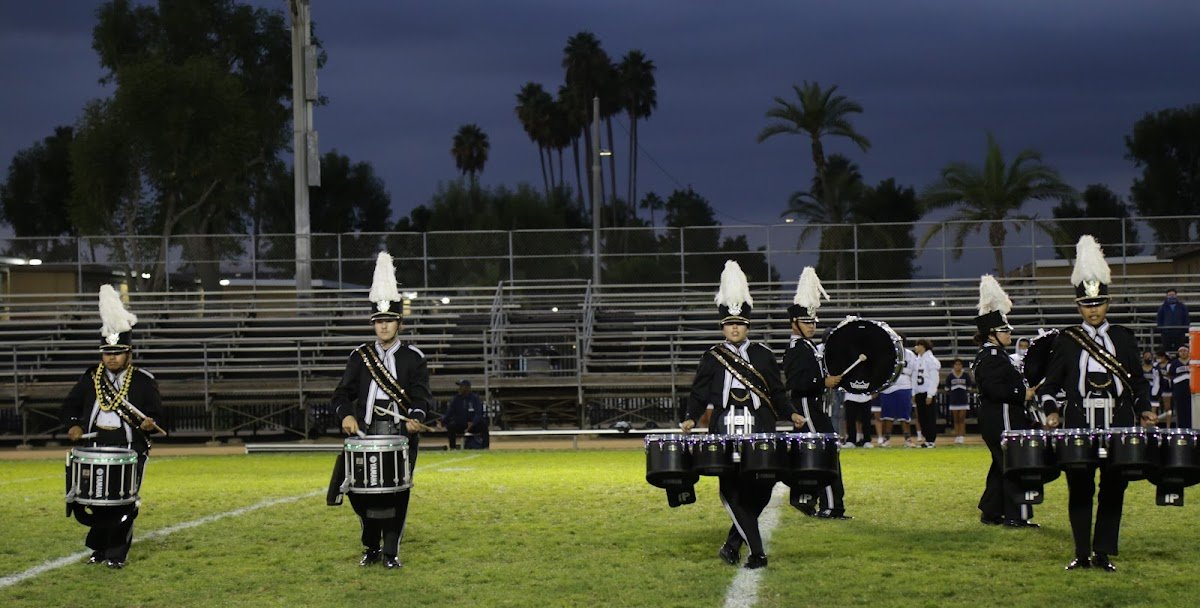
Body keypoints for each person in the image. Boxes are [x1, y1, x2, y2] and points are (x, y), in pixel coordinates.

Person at [1038, 236, 1154, 572]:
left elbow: (1138, 382)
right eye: (1087, 305)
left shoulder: (1123, 337)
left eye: (1099, 303)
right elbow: (1049, 386)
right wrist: (1052, 411)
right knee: (1079, 488)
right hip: (1077, 421)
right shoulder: (1067, 340)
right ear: (1078, 306)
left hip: (1117, 420)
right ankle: (1081, 552)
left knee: (1114, 487)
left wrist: (1144, 407)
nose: (1093, 310)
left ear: (1108, 302)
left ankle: (1102, 552)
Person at [680, 260, 803, 570]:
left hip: (760, 428)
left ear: (748, 325)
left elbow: (777, 391)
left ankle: (733, 543)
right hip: (723, 429)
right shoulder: (712, 356)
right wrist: (691, 417)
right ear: (722, 326)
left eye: (740, 324)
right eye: (729, 324)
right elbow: (698, 393)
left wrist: (792, 414)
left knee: (762, 488)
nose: (734, 328)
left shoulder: (762, 354)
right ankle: (757, 552)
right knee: (731, 489)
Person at [331, 252, 433, 570]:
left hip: (400, 435)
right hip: (365, 434)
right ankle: (370, 545)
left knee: (396, 493)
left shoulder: (413, 357)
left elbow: (421, 395)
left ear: (399, 323)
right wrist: (346, 415)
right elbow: (341, 393)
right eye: (378, 322)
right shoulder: (359, 357)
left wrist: (416, 416)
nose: (383, 326)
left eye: (388, 321)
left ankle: (390, 552)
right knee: (359, 492)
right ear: (373, 324)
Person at [61, 285, 163, 569]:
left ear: (129, 353)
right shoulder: (90, 377)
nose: (112, 358)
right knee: (96, 500)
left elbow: (157, 415)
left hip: (129, 447)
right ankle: (99, 548)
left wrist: (150, 424)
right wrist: (73, 426)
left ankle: (116, 553)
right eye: (107, 352)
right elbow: (69, 407)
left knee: (123, 501)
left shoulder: (143, 380)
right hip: (95, 445)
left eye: (118, 352)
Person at [971, 275, 1039, 528]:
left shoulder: (996, 354)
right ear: (992, 334)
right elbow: (993, 388)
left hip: (1000, 417)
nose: (1009, 334)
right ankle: (1016, 516)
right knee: (1014, 465)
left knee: (1001, 465)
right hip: (1001, 418)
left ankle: (990, 511)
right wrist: (1023, 394)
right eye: (1004, 330)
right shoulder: (991, 356)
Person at [782, 267, 850, 519]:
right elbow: (796, 382)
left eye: (812, 322)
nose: (811, 326)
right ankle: (831, 506)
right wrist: (824, 382)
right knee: (825, 453)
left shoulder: (807, 347)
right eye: (806, 322)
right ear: (794, 324)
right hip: (807, 406)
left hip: (813, 405)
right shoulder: (798, 349)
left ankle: (804, 496)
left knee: (810, 455)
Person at [877, 339, 916, 447]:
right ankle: (886, 438)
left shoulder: (909, 354)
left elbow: (914, 371)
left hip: (904, 384)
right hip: (889, 385)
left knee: (905, 415)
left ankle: (908, 439)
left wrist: (914, 390)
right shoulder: (886, 353)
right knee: (887, 415)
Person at [912, 339, 942, 448]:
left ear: (923, 346)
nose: (916, 348)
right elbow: (914, 377)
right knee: (922, 418)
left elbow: (934, 379)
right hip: (919, 392)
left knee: (929, 417)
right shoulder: (917, 360)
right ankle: (926, 439)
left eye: (917, 345)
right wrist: (914, 392)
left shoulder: (931, 360)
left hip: (927, 393)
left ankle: (931, 440)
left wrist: (930, 394)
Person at [442, 379, 483, 450]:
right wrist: (443, 421)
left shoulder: (475, 398)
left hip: (473, 425)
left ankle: (485, 447)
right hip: (461, 424)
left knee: (483, 426)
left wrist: (473, 423)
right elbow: (449, 412)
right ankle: (452, 448)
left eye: (461, 386)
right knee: (451, 427)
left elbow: (479, 413)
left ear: (467, 388)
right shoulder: (456, 399)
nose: (459, 388)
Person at [946, 358, 974, 444]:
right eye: (956, 364)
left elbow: (970, 386)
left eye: (959, 364)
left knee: (962, 418)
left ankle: (962, 436)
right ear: (953, 366)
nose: (958, 366)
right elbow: (947, 388)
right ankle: (957, 436)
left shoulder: (965, 375)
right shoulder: (950, 375)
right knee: (955, 419)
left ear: (962, 366)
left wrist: (963, 388)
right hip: (954, 400)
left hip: (963, 399)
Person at [1167, 346, 1191, 428]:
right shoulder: (1174, 363)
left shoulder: (1192, 362)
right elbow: (1170, 375)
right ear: (1178, 353)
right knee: (1180, 410)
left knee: (1190, 409)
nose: (1183, 353)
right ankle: (1181, 428)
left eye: (1185, 351)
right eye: (1181, 351)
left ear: (1188, 352)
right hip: (1178, 389)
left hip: (1190, 389)